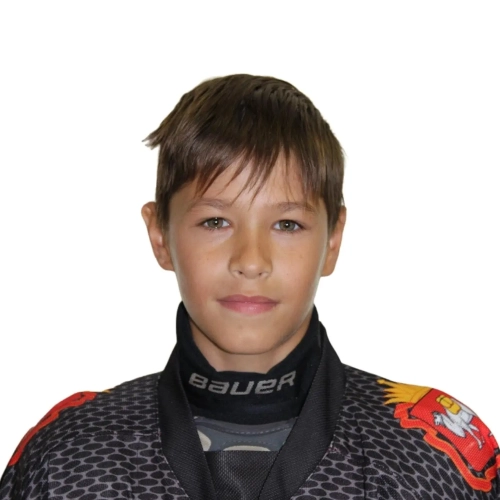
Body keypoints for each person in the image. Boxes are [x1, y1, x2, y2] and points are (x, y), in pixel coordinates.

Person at [0, 74, 498, 500]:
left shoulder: (431, 459)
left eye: (287, 225)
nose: (251, 261)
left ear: (332, 241)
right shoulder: (70, 458)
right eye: (215, 222)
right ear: (160, 237)